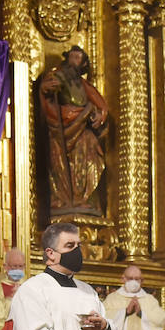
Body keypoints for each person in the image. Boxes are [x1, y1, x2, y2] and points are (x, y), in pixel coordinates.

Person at [39, 46, 109, 217]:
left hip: (81, 125)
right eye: (72, 57)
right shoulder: (57, 75)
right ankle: (62, 199)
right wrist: (46, 87)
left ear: (83, 63)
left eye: (78, 58)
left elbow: (100, 104)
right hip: (59, 126)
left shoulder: (83, 84)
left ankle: (83, 197)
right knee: (58, 161)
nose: (73, 61)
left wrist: (100, 114)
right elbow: (44, 90)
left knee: (91, 145)